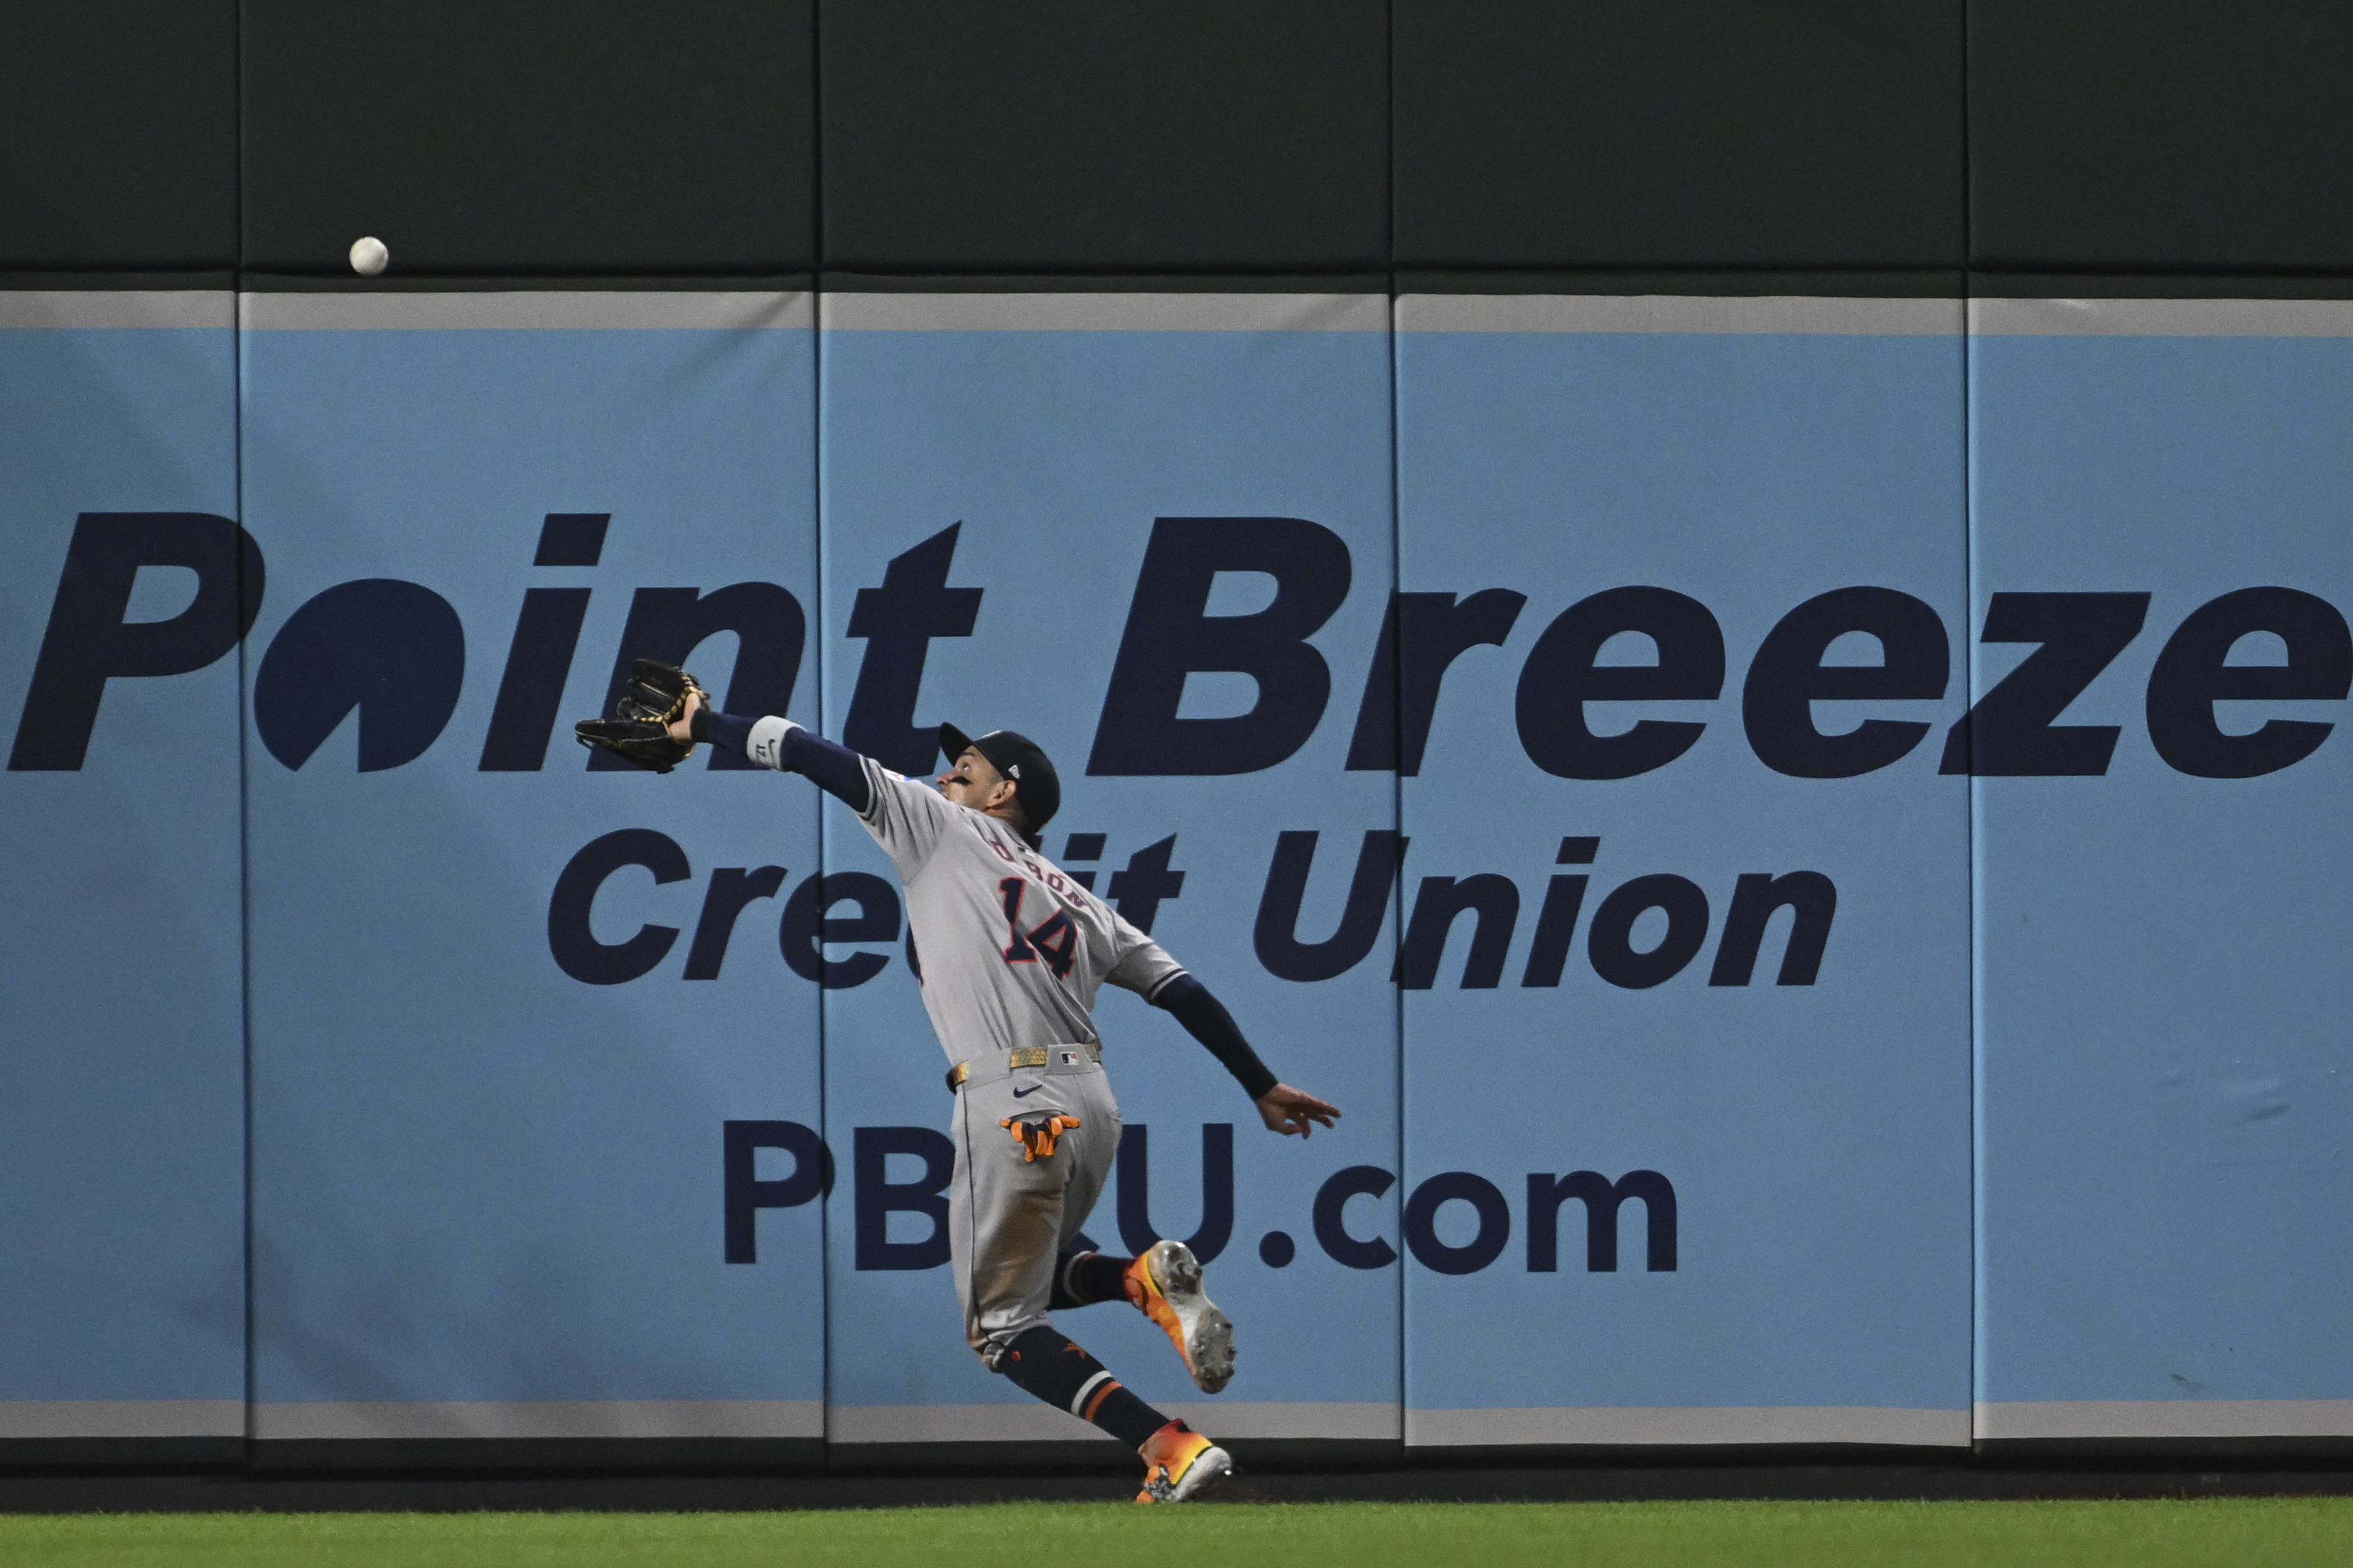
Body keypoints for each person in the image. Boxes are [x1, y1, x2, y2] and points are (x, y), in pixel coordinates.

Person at [670, 690, 1340, 1504]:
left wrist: (704, 724)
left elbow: (809, 751)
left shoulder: (939, 827)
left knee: (1000, 1328)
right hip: (1092, 1103)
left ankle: (1168, 1444)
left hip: (1012, 1096)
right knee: (1046, 1271)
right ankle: (1139, 1281)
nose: (942, 776)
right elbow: (1179, 988)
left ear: (1003, 793)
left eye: (964, 768)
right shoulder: (1078, 896)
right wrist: (1259, 1082)